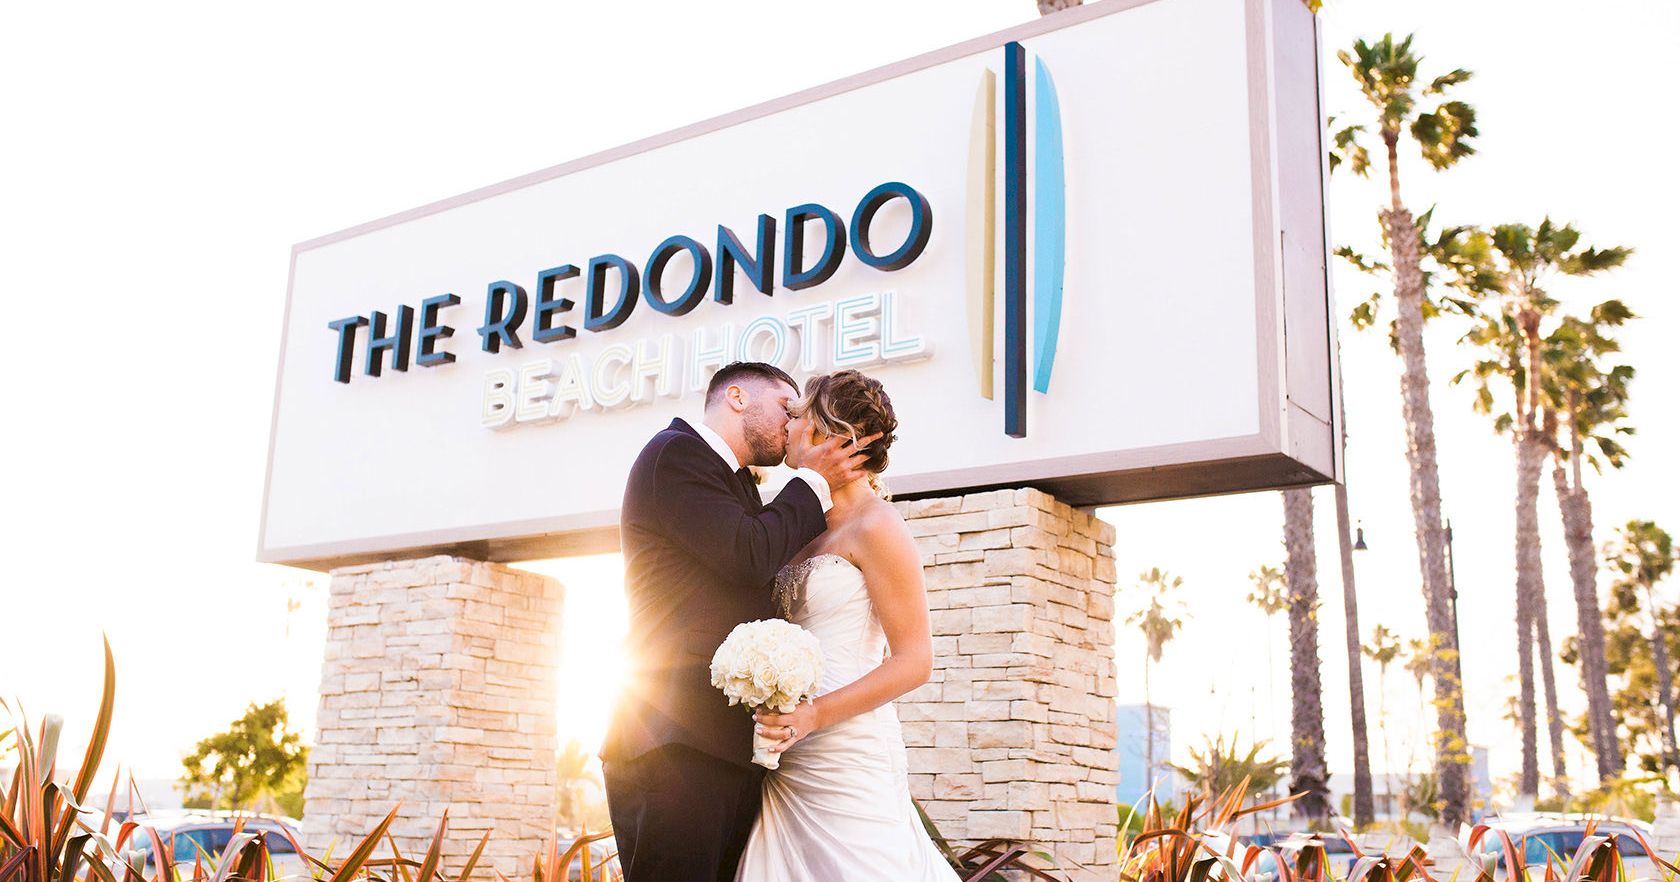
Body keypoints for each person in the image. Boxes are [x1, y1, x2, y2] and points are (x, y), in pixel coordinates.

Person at [603, 361, 880, 882]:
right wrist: (815, 482)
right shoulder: (675, 455)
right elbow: (748, 554)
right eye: (785, 407)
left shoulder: (744, 487)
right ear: (735, 397)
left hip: (721, 746)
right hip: (670, 741)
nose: (793, 422)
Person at [735, 370, 960, 882]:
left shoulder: (879, 527)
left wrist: (815, 715)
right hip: (786, 756)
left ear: (829, 434)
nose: (785, 426)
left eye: (797, 416)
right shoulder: (793, 520)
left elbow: (915, 661)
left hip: (846, 752)